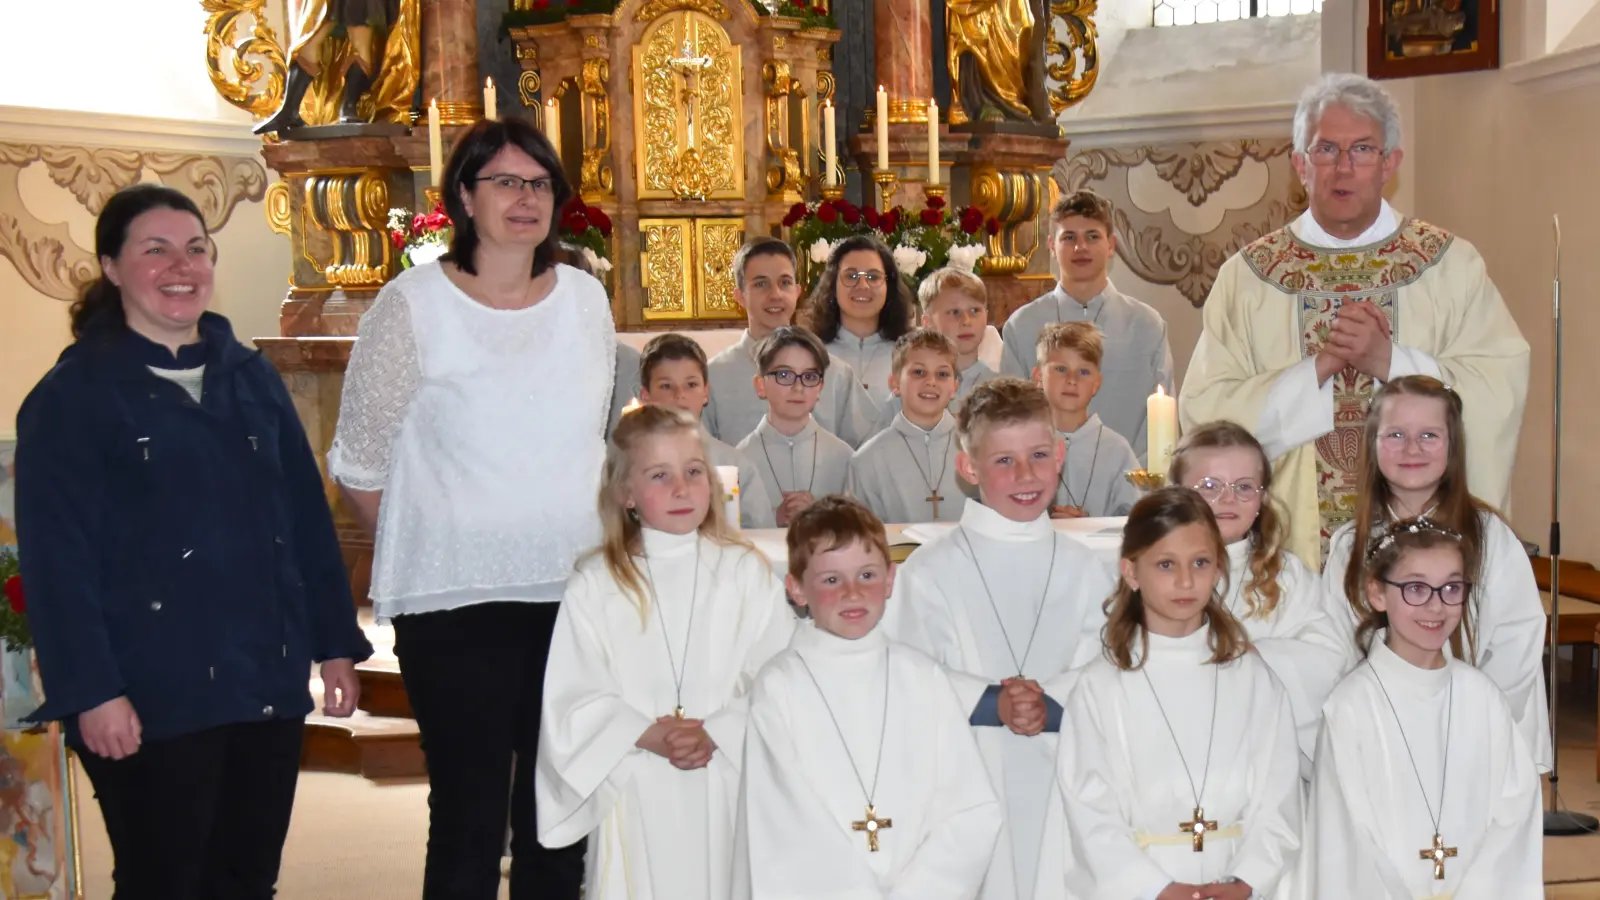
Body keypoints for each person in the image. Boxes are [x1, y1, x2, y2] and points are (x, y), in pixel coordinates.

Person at [13, 183, 373, 899]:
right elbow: (58, 565)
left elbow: (305, 521)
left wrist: (335, 642)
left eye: (196, 249)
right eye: (156, 250)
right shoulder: (72, 397)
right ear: (111, 267)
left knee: (246, 879)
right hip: (149, 689)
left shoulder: (251, 377)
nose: (182, 267)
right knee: (166, 881)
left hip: (262, 681)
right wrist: (93, 691)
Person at [326, 118, 611, 899]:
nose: (526, 198)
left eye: (540, 183)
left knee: (559, 816)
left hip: (574, 597)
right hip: (453, 606)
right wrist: (441, 539)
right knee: (469, 819)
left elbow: (585, 440)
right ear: (463, 195)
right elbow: (359, 463)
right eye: (505, 182)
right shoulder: (413, 304)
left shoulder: (585, 299)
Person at [1178, 74, 1530, 568]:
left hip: (1422, 566)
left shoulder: (1449, 265)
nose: (1343, 167)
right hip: (1291, 555)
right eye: (1326, 150)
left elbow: (1499, 387)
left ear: (1390, 163)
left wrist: (1389, 361)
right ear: (1300, 165)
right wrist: (1317, 371)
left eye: (1362, 149)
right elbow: (1205, 410)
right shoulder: (1249, 277)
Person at [534, 404, 795, 899]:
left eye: (693, 471)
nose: (681, 488)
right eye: (660, 475)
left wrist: (719, 730)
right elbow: (573, 696)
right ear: (625, 493)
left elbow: (780, 675)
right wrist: (647, 733)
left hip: (726, 777)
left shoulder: (743, 571)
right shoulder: (597, 583)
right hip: (634, 782)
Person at [883, 377, 1118, 900]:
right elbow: (906, 675)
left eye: (1038, 455)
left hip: (1067, 775)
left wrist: (1049, 704)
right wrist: (992, 702)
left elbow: (1111, 668)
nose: (1026, 475)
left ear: (1059, 455)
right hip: (969, 777)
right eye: (1004, 461)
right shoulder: (929, 571)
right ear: (968, 468)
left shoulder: (1087, 569)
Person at [736, 496, 1002, 898]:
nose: (852, 592)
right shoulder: (779, 687)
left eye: (867, 575)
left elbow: (969, 808)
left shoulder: (923, 678)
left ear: (891, 579)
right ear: (796, 589)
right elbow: (782, 823)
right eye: (831, 580)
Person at [1046, 487, 1301, 900]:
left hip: (1235, 883)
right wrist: (1155, 888)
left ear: (1218, 568)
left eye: (1200, 562)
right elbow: (1089, 812)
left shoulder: (1252, 677)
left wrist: (1248, 880)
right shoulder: (1101, 686)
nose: (1186, 581)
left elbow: (1280, 795)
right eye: (1166, 564)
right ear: (1131, 572)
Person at [1299, 519, 1541, 898]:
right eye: (1415, 588)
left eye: (1451, 588)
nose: (1436, 605)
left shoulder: (1483, 699)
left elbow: (1514, 813)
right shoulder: (1351, 707)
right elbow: (1345, 839)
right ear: (1377, 593)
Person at [1321, 375, 1551, 773]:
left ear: (1453, 447)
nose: (1412, 448)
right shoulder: (1349, 545)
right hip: (1382, 735)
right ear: (1372, 445)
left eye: (1429, 435)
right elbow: (1336, 648)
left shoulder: (1490, 536)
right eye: (1395, 434)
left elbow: (1517, 642)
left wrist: (1469, 721)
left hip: (1477, 734)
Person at [1169, 422, 1349, 775]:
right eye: (1210, 486)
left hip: (1263, 755)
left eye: (1244, 487)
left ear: (1263, 497)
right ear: (1177, 492)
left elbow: (1329, 656)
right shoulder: (1154, 572)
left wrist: (1253, 656)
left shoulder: (1287, 576)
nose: (1228, 499)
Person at [1000, 190, 1173, 465]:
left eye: (1092, 236)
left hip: (1129, 479)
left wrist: (1129, 477)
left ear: (1111, 245)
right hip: (1044, 478)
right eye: (1069, 237)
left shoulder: (1147, 325)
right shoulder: (1022, 325)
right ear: (1052, 246)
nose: (1080, 247)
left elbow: (1162, 424)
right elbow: (1011, 417)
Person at [704, 237, 878, 447]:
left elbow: (871, 448)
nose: (775, 294)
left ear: (797, 292)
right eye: (761, 284)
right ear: (740, 296)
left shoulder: (836, 374)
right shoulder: (713, 377)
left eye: (784, 283)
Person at [637, 333, 775, 529]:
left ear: (706, 393)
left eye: (691, 385)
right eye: (666, 386)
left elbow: (761, 535)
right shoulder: (631, 465)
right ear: (646, 396)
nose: (680, 395)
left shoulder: (735, 465)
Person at [735, 327, 854, 527]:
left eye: (809, 377)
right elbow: (727, 529)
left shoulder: (843, 456)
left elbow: (856, 527)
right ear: (760, 385)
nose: (798, 387)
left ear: (820, 388)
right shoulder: (740, 459)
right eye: (784, 374)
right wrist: (773, 518)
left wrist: (822, 515)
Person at [847, 330, 970, 524]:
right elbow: (859, 533)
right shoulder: (867, 460)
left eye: (942, 374)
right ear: (895, 383)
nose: (931, 382)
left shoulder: (976, 449)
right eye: (919, 372)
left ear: (954, 388)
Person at [1033, 322, 1140, 519]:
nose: (1072, 380)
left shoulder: (1117, 450)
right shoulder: (1024, 444)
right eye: (1061, 369)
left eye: (1083, 372)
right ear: (1038, 376)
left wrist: (1087, 526)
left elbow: (1137, 521)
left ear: (1096, 383)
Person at [872, 267, 999, 431]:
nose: (967, 321)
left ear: (986, 316)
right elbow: (881, 441)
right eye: (954, 312)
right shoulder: (908, 389)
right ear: (927, 322)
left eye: (975, 310)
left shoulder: (998, 388)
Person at [804, 235, 916, 409]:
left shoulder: (912, 354)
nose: (863, 285)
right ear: (832, 284)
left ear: (889, 286)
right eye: (851, 276)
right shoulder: (810, 354)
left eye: (873, 277)